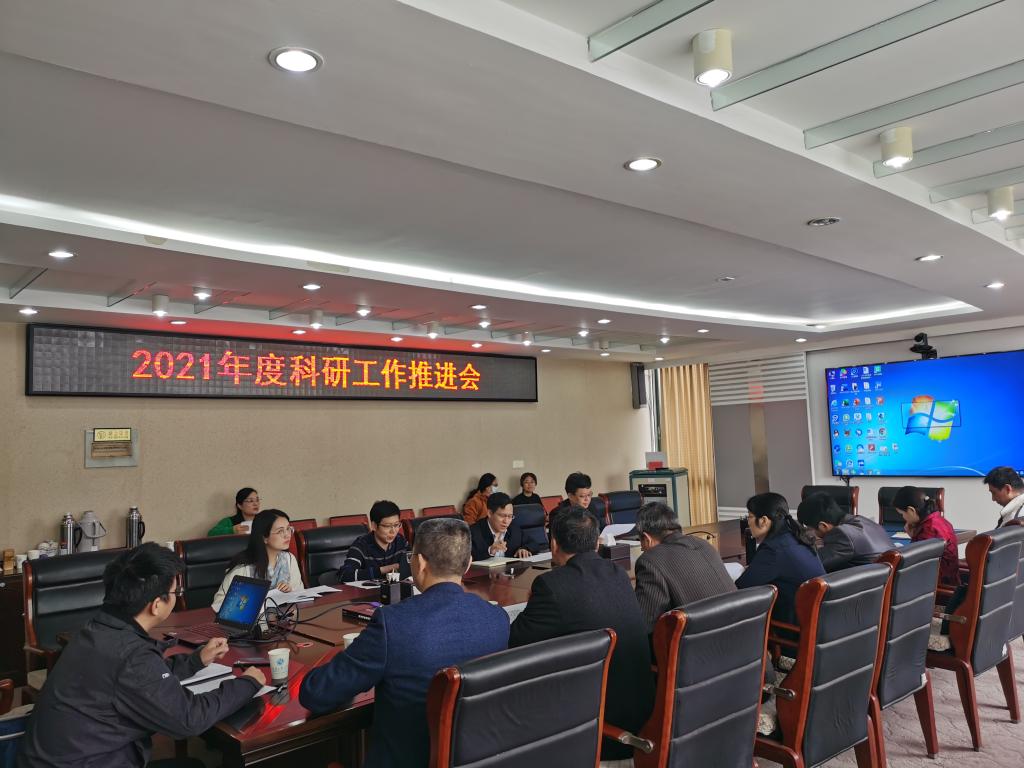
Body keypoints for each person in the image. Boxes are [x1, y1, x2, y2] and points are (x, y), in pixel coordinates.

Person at [19, 543, 266, 768]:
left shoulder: (96, 629)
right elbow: (188, 719)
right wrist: (248, 683)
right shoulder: (131, 654)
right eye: (175, 592)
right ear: (156, 605)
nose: (176, 596)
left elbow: (139, 680)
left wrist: (195, 661)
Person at [299, 518, 509, 768]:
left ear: (419, 563)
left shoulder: (394, 623)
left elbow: (316, 693)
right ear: (468, 564)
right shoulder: (497, 619)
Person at [509, 507, 654, 764]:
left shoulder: (552, 585)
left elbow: (515, 642)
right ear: (596, 543)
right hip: (643, 717)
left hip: (596, 729)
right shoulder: (618, 574)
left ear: (554, 544)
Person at [633, 501, 736, 634]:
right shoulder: (703, 544)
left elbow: (644, 624)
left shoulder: (650, 561)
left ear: (647, 538)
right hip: (741, 635)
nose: (642, 549)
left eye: (641, 544)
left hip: (701, 642)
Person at [736, 493, 825, 626]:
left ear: (763, 520)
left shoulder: (773, 549)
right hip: (819, 621)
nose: (748, 522)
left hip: (793, 629)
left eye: (749, 516)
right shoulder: (800, 537)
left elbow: (741, 588)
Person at [211, 509, 303, 611]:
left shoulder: (289, 559)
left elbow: (300, 595)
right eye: (280, 531)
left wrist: (290, 592)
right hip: (251, 620)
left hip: (284, 618)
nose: (287, 535)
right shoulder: (243, 567)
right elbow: (219, 604)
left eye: (288, 529)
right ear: (264, 538)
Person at [797, 491, 892, 572]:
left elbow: (813, 565)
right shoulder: (863, 520)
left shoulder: (842, 534)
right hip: (886, 582)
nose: (810, 533)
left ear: (823, 526)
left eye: (810, 529)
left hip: (866, 585)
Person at [892, 486, 960, 586]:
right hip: (946, 580)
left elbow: (913, 563)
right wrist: (914, 535)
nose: (903, 518)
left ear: (911, 510)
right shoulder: (938, 520)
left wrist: (914, 537)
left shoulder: (928, 529)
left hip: (937, 587)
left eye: (902, 514)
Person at [338, 500, 409, 582]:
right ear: (374, 526)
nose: (393, 531)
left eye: (396, 525)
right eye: (387, 526)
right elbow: (345, 575)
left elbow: (414, 565)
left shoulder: (401, 541)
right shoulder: (361, 545)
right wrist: (384, 570)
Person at [470, 492, 534, 561]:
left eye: (510, 516)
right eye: (502, 516)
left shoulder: (514, 530)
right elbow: (467, 557)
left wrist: (525, 548)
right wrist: (489, 551)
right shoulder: (473, 532)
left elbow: (533, 543)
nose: (506, 521)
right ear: (490, 513)